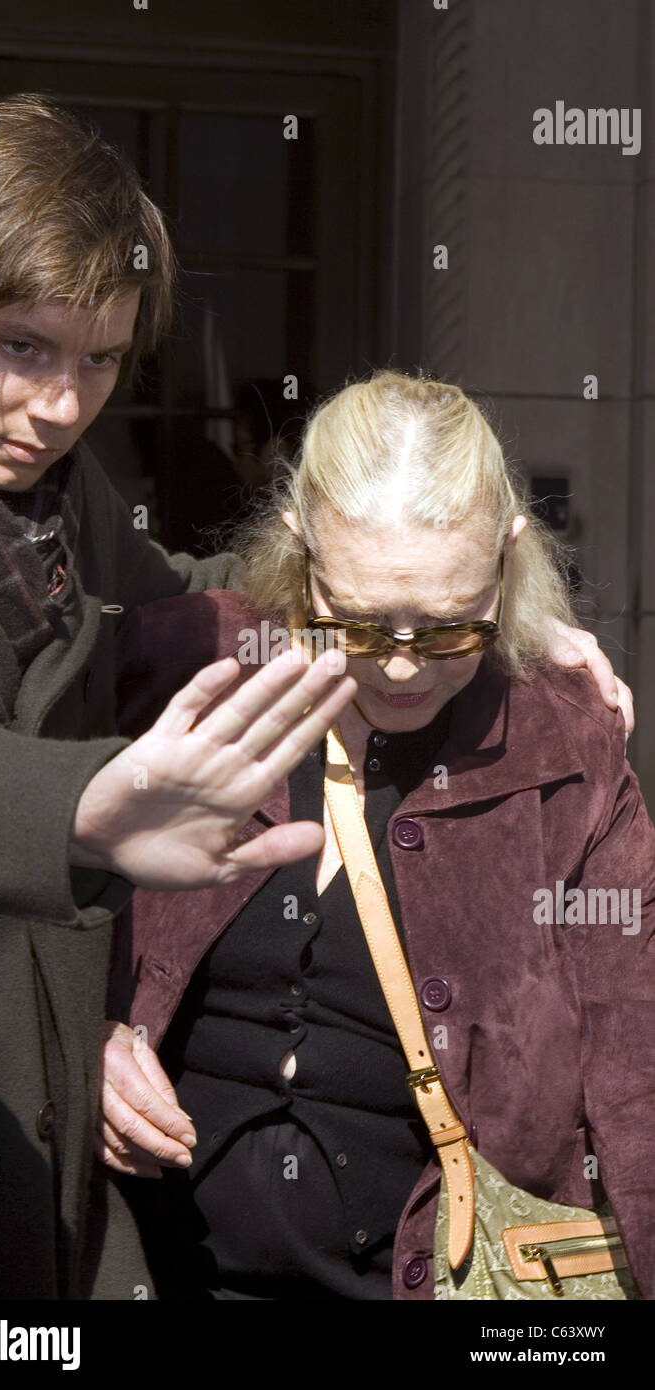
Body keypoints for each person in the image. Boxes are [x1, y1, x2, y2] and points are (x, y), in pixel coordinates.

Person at [98, 371, 655, 1302]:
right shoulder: (186, 666)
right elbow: (12, 896)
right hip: (151, 1269)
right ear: (300, 544)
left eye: (445, 629)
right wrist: (87, 1040)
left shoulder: (566, 741)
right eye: (357, 622)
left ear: (507, 558)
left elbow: (635, 1059)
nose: (400, 666)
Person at [0, 93, 357, 1301]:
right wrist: (80, 804)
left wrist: (482, 622)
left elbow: (187, 602)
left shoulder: (61, 496)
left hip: (53, 1165)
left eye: (100, 358)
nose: (63, 405)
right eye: (21, 346)